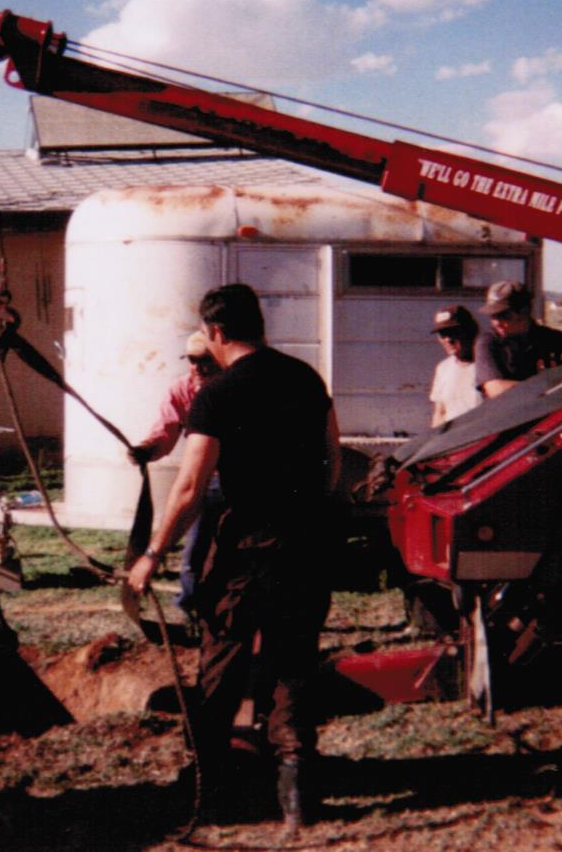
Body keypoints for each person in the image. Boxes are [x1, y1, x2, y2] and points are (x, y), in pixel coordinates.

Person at [128, 284, 341, 834]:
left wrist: (152, 553)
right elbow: (333, 461)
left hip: (245, 552)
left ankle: (209, 794)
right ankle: (298, 797)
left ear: (217, 333)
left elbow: (190, 486)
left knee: (222, 666)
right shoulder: (306, 378)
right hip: (305, 546)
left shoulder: (217, 394)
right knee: (293, 664)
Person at [127, 331, 221, 620]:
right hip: (205, 478)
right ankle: (190, 608)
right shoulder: (182, 390)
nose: (198, 367)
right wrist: (147, 449)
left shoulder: (231, 387)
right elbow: (165, 433)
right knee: (195, 550)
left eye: (205, 360)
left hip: (240, 478)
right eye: (192, 361)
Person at [474, 280, 562, 399]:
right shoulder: (488, 343)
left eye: (503, 315)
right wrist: (551, 388)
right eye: (493, 316)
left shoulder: (555, 339)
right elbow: (496, 389)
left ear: (524, 311)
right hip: (508, 410)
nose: (496, 323)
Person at [429, 305, 482, 426]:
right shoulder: (443, 369)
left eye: (453, 332)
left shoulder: (488, 364)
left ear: (471, 331)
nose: (448, 339)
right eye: (443, 334)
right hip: (454, 436)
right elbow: (439, 413)